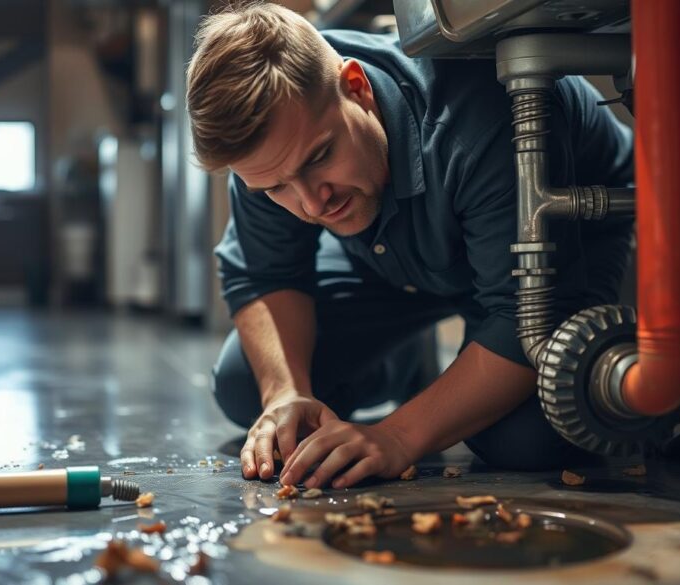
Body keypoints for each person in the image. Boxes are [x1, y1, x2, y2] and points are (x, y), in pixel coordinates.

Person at [186, 2, 633, 489]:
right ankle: (404, 365)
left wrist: (397, 437)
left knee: (524, 438)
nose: (311, 203)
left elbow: (522, 320)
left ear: (355, 86)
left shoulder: (482, 119)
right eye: (276, 188)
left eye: (320, 156)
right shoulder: (273, 153)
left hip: (560, 249)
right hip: (396, 253)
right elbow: (265, 274)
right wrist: (285, 394)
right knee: (245, 388)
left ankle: (436, 383)